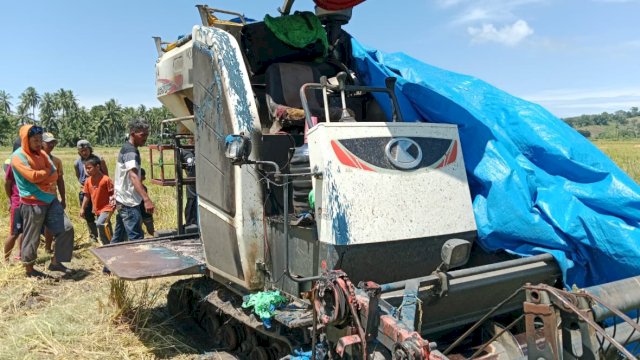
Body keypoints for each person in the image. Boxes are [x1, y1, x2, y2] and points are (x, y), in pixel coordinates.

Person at [10, 125, 74, 278]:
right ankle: (29, 270)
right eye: (35, 140)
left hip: (50, 200)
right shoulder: (18, 157)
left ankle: (56, 262)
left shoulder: (41, 154)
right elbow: (33, 177)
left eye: (40, 140)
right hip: (32, 202)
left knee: (67, 228)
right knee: (32, 237)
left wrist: (42, 176)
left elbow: (54, 174)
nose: (39, 144)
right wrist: (44, 176)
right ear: (26, 140)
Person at [111, 118, 154, 243]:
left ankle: (108, 262)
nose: (145, 138)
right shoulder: (130, 151)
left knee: (118, 238)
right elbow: (133, 176)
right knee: (136, 239)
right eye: (142, 135)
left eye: (147, 134)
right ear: (132, 133)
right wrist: (146, 199)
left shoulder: (127, 148)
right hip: (129, 202)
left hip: (122, 199)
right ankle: (138, 263)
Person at [74, 139, 108, 242]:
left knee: (100, 213)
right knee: (88, 214)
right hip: (85, 191)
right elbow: (79, 177)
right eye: (81, 150)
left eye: (86, 150)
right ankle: (93, 236)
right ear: (79, 151)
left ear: (90, 149)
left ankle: (104, 236)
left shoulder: (99, 160)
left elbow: (106, 175)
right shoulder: (77, 163)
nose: (84, 152)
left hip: (98, 191)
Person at [80, 155, 114, 246]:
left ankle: (110, 244)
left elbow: (112, 194)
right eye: (86, 168)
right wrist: (82, 208)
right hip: (97, 209)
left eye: (89, 168)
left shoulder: (106, 180)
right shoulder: (88, 181)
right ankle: (107, 244)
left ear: (98, 167)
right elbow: (86, 195)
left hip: (107, 208)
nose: (87, 170)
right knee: (105, 226)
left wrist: (113, 206)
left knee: (100, 224)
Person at [42, 132, 66, 253]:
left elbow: (60, 181)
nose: (51, 145)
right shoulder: (35, 160)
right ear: (41, 143)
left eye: (53, 142)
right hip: (37, 198)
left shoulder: (57, 161)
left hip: (52, 197)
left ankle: (48, 248)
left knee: (50, 224)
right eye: (48, 142)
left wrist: (63, 199)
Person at [4, 139, 23, 262]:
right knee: (14, 233)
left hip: (29, 202)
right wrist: (10, 200)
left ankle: (21, 255)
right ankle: (5, 259)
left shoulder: (32, 161)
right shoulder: (12, 162)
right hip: (17, 202)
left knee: (24, 232)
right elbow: (7, 183)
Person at [181, 144, 198, 226]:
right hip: (192, 185)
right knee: (191, 204)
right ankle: (190, 224)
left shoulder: (202, 149)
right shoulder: (184, 152)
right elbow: (182, 167)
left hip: (204, 183)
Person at [139, 168, 155, 236]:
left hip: (145, 212)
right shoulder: (143, 188)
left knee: (150, 230)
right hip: (142, 212)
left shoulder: (144, 188)